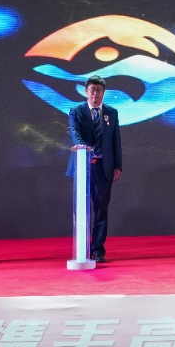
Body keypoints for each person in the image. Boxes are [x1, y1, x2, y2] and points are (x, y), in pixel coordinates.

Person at [68, 75, 122, 263]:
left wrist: (117, 165)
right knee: (83, 210)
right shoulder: (76, 111)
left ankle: (98, 250)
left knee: (101, 210)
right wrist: (81, 146)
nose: (95, 94)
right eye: (92, 90)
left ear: (103, 93)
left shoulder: (111, 113)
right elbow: (74, 132)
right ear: (86, 91)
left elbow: (116, 140)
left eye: (99, 91)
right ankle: (82, 249)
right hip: (83, 166)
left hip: (103, 168)